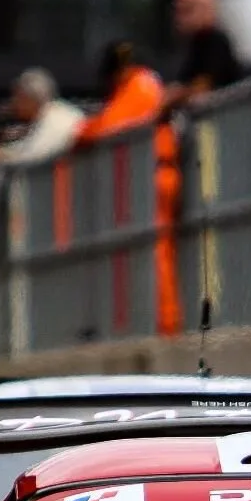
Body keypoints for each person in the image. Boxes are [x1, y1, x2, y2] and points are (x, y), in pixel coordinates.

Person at [79, 40, 182, 337]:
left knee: (155, 251)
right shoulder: (146, 85)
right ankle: (156, 323)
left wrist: (82, 131)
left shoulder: (140, 86)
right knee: (148, 251)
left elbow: (112, 124)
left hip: (155, 173)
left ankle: (166, 324)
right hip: (152, 172)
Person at [164, 0, 242, 111]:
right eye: (178, 8)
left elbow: (204, 87)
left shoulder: (215, 42)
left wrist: (175, 95)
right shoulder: (189, 44)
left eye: (189, 8)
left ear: (207, 8)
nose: (180, 16)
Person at [0, 68, 84, 168]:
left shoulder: (59, 119)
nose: (14, 104)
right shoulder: (49, 114)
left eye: (17, 98)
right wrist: (2, 152)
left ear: (29, 99)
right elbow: (29, 146)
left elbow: (37, 157)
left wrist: (1, 157)